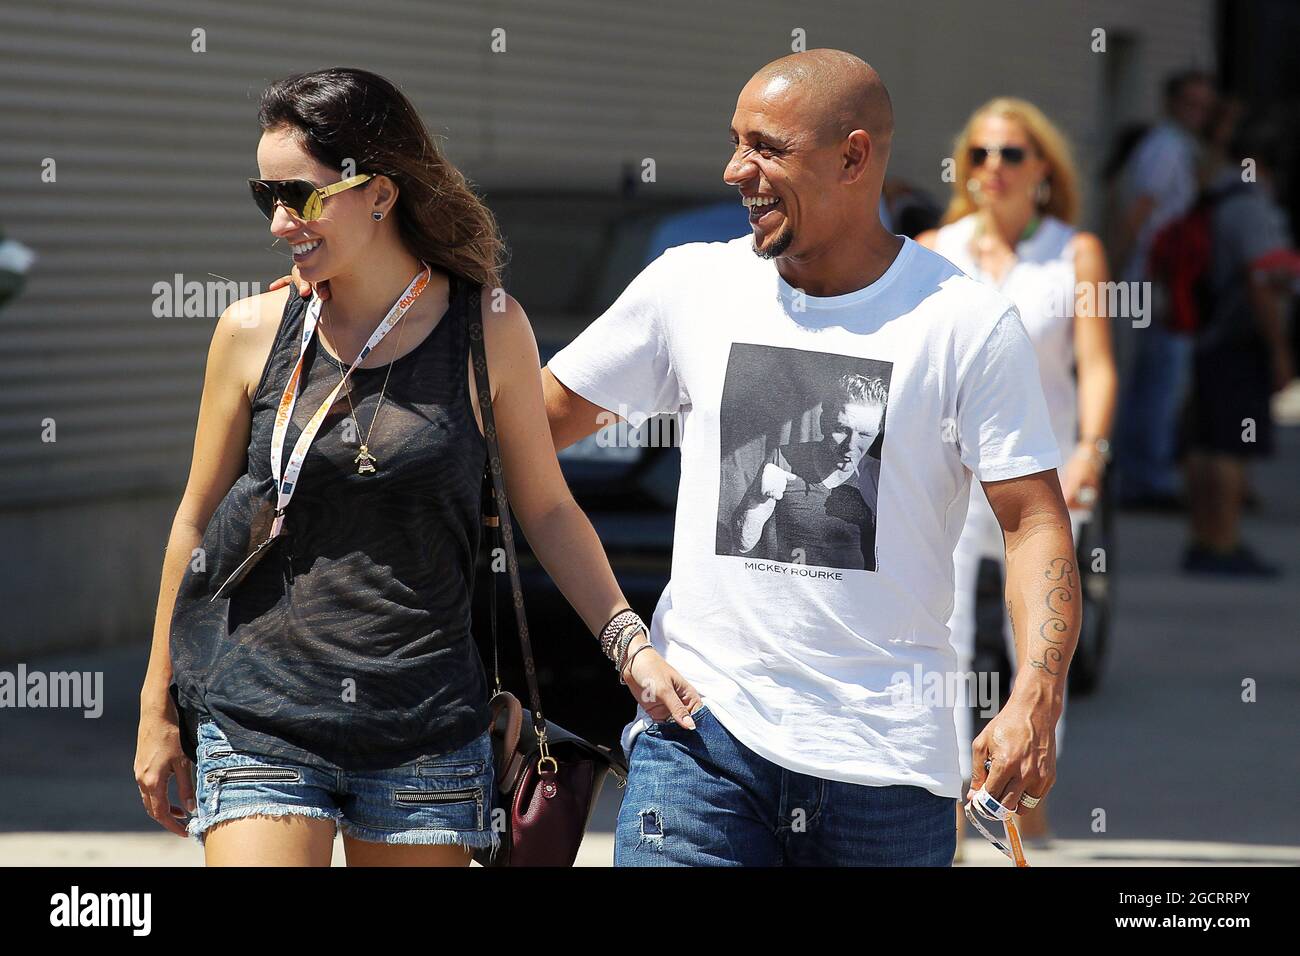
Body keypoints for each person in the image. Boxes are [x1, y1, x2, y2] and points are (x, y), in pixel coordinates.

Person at [135, 68, 698, 867]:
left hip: (423, 729)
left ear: (380, 192)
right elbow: (193, 520)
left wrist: (628, 645)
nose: (279, 222)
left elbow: (548, 511)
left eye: (301, 196)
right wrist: (157, 705)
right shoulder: (252, 330)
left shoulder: (487, 329)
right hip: (258, 715)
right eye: (267, 197)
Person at [541, 50, 1081, 866]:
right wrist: (624, 637)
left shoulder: (964, 323)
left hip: (888, 772)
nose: (735, 170)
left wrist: (1036, 696)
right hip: (698, 748)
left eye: (765, 147)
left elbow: (1034, 519)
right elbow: (531, 428)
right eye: (735, 142)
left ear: (854, 157)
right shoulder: (689, 287)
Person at [917, 97, 1117, 848]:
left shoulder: (1074, 253)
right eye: (978, 155)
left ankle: (1025, 809)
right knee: (945, 633)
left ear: (1043, 168)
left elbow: (1095, 366)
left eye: (1009, 154)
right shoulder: (939, 246)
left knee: (1038, 645)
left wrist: (1093, 449)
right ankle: (944, 813)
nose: (991, 169)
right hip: (951, 471)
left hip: (1043, 477)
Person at [1181, 116, 1298, 576]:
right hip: (1238, 338)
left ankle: (1203, 539)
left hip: (1208, 335)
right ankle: (1223, 544)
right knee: (1231, 445)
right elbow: (1261, 280)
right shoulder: (1251, 206)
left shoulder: (1212, 196)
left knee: (1206, 440)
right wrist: (1280, 349)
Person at [1112, 70, 1216, 509]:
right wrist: (1113, 275)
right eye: (1191, 103)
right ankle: (1145, 479)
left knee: (1153, 377)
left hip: (1155, 279)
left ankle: (1141, 474)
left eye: (1204, 106)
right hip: (1150, 281)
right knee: (1159, 379)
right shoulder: (1168, 148)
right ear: (1171, 103)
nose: (1198, 113)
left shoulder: (1176, 146)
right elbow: (1142, 210)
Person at [730, 372, 887, 570]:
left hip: (854, 598)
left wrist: (878, 516)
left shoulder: (882, 477)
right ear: (823, 422)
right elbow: (744, 543)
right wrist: (758, 500)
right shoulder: (784, 461)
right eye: (841, 429)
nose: (851, 445)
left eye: (865, 434)